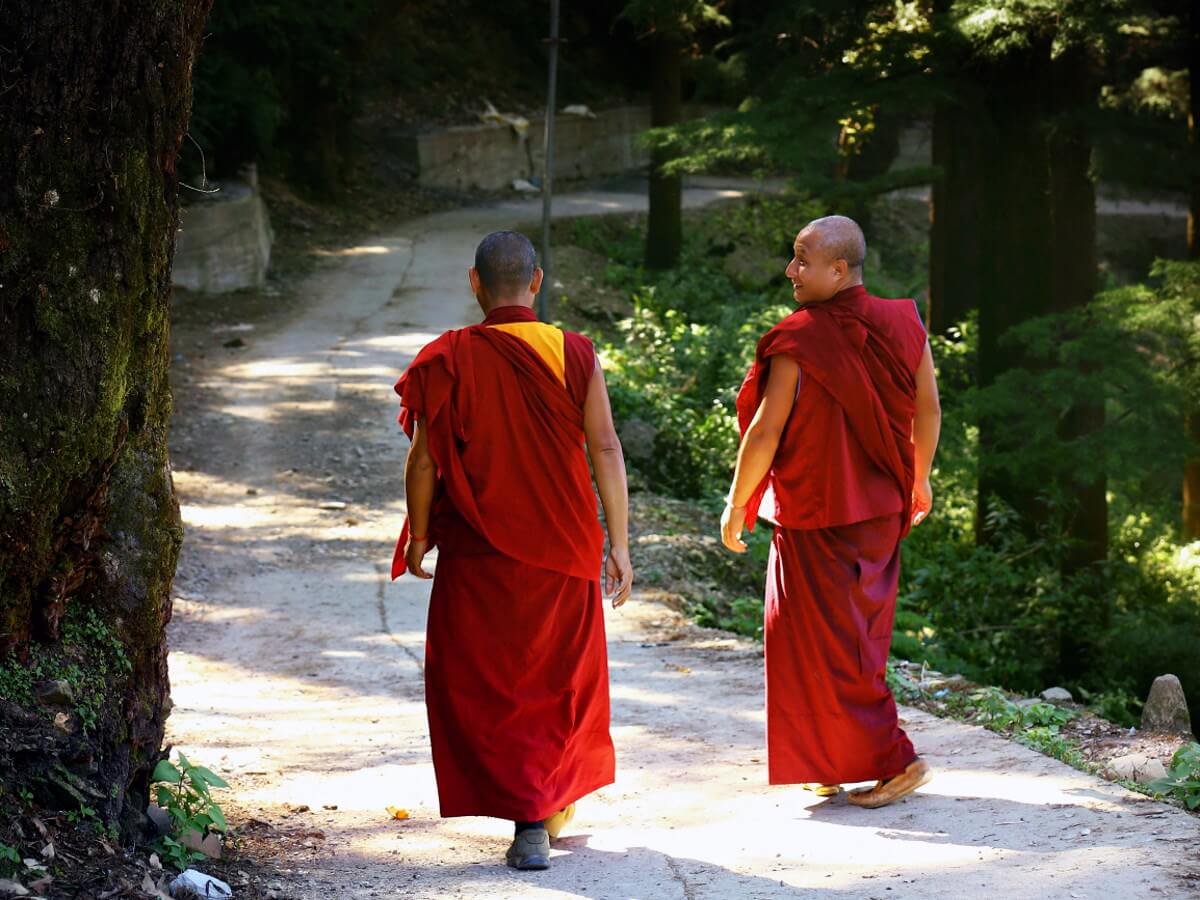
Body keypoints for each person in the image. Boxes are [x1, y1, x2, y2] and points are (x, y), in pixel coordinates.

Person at [392, 231, 633, 870]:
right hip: (566, 542)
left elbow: (424, 461)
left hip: (480, 549)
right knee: (558, 678)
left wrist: (419, 535)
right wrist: (621, 544)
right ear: (537, 282)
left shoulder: (449, 356)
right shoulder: (573, 351)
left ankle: (527, 811)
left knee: (486, 680)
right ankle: (542, 806)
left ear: (474, 284)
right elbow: (605, 447)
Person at [720, 215, 941, 808]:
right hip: (876, 512)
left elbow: (766, 430)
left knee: (816, 643)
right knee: (855, 640)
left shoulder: (801, 339)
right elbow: (929, 410)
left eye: (802, 260)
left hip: (815, 513)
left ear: (838, 270)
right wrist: (918, 479)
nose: (791, 271)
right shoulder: (903, 322)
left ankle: (894, 759)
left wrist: (738, 501)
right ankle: (830, 758)